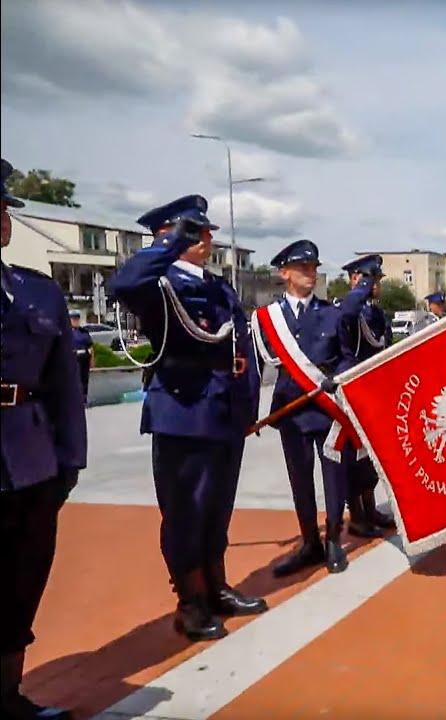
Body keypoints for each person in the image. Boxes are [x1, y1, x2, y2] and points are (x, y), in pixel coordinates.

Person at [107, 194, 267, 642]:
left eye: (206, 231)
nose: (206, 238)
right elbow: (122, 284)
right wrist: (170, 247)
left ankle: (216, 586)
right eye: (194, 231)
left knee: (217, 508)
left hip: (222, 412)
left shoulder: (218, 285)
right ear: (168, 234)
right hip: (182, 409)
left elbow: (240, 350)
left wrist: (246, 408)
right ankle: (191, 600)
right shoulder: (158, 281)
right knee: (185, 512)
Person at [1, 158, 87, 720]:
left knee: (22, 577)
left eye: (5, 208)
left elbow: (63, 385)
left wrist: (69, 460)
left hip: (31, 459)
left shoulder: (35, 293)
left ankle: (7, 696)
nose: (4, 218)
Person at [254, 239, 353, 576]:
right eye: (303, 268)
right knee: (300, 479)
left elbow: (347, 358)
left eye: (313, 267)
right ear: (285, 273)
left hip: (327, 411)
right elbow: (258, 367)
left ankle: (334, 539)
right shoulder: (268, 318)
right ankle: (309, 541)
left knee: (333, 476)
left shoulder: (332, 314)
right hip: (290, 411)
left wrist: (336, 379)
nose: (311, 273)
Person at [336, 254, 397, 537]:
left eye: (378, 280)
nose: (377, 285)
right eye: (373, 280)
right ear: (356, 279)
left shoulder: (376, 314)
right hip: (353, 392)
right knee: (354, 457)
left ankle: (370, 508)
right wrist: (361, 286)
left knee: (371, 456)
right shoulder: (348, 308)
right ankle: (357, 515)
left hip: (375, 390)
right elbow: (348, 311)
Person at [69, 310, 95, 403]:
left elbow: (90, 346)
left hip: (84, 357)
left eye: (77, 319)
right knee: (76, 381)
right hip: (74, 358)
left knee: (84, 380)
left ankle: (84, 400)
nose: (75, 321)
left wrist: (92, 359)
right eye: (73, 319)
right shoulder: (67, 332)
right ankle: (76, 401)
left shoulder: (83, 331)